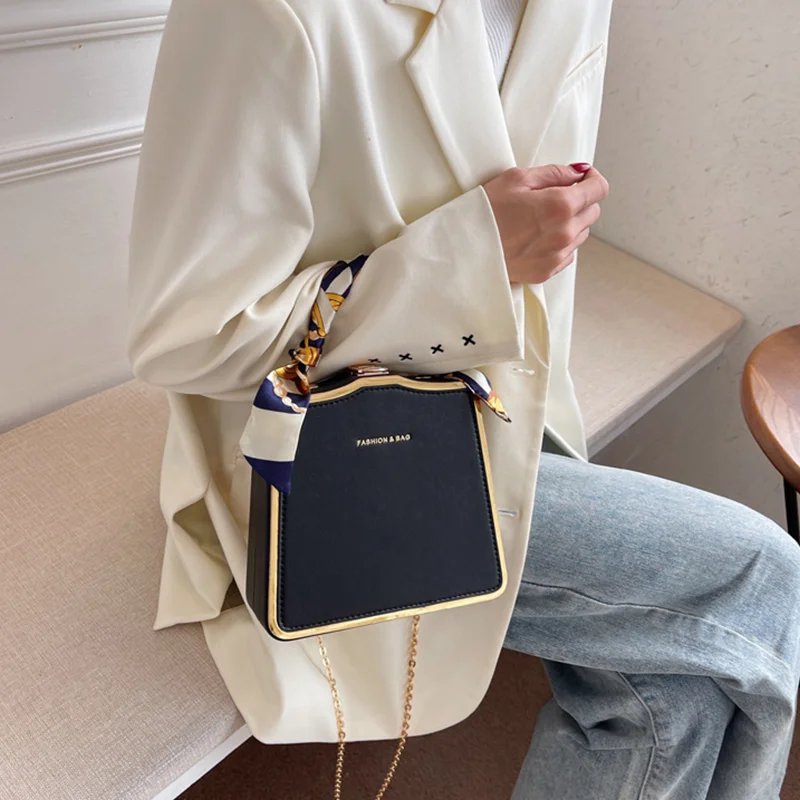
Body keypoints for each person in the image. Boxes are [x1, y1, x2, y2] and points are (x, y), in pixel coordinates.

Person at [126, 0, 800, 796]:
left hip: (505, 407)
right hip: (310, 453)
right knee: (761, 580)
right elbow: (186, 334)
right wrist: (468, 255)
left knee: (675, 694)